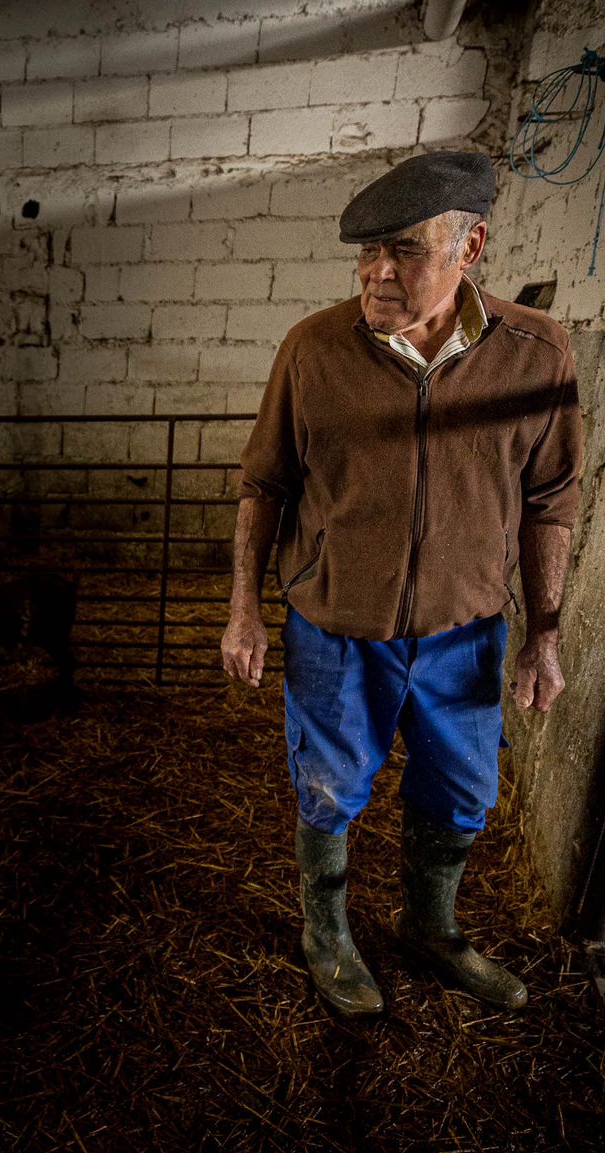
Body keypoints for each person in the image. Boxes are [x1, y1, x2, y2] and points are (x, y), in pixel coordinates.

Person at [220, 151, 583, 1017]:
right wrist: (244, 611)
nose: (380, 272)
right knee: (328, 786)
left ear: (473, 246)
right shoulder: (314, 348)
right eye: (369, 251)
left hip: (464, 628)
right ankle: (328, 932)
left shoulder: (537, 353)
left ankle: (431, 927)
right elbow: (263, 484)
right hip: (336, 622)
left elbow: (552, 502)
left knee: (461, 790)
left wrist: (544, 632)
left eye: (407, 251)